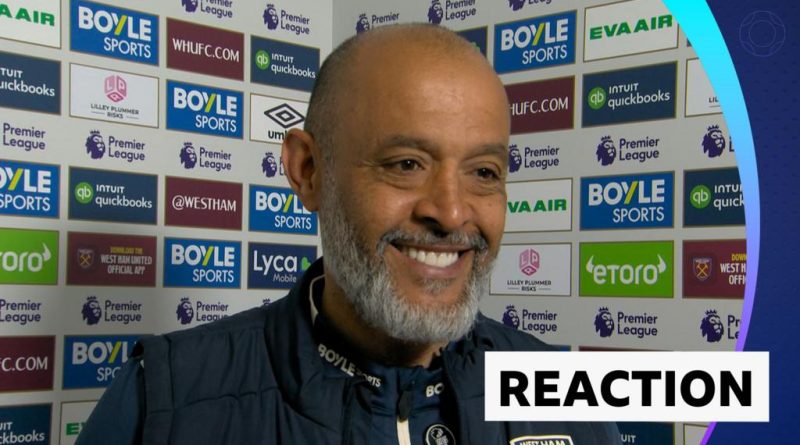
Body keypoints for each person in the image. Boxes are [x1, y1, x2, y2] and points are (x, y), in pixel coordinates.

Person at [76, 24, 621, 445]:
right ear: (309, 171)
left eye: (483, 172)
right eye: (406, 164)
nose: (452, 214)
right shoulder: (163, 399)